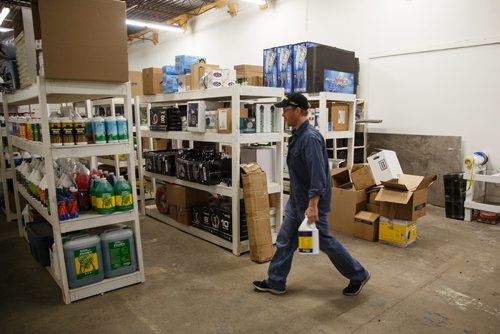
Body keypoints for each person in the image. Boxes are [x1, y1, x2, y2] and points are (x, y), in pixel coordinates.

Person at [253, 93, 370, 296]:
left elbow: (318, 177)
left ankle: (358, 274)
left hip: (310, 203)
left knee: (326, 243)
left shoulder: (310, 138)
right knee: (285, 240)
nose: (283, 116)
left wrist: (313, 205)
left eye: (286, 111)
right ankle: (276, 281)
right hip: (297, 201)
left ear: (297, 111)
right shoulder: (297, 134)